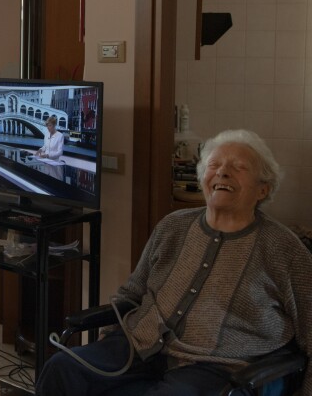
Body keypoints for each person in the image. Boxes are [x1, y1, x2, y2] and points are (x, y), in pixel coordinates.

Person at [37, 129, 312, 395]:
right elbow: (132, 293)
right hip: (141, 344)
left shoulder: (284, 249)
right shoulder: (173, 226)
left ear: (263, 189)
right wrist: (109, 342)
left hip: (216, 366)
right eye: (213, 165)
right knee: (62, 368)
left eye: (239, 167)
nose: (222, 172)